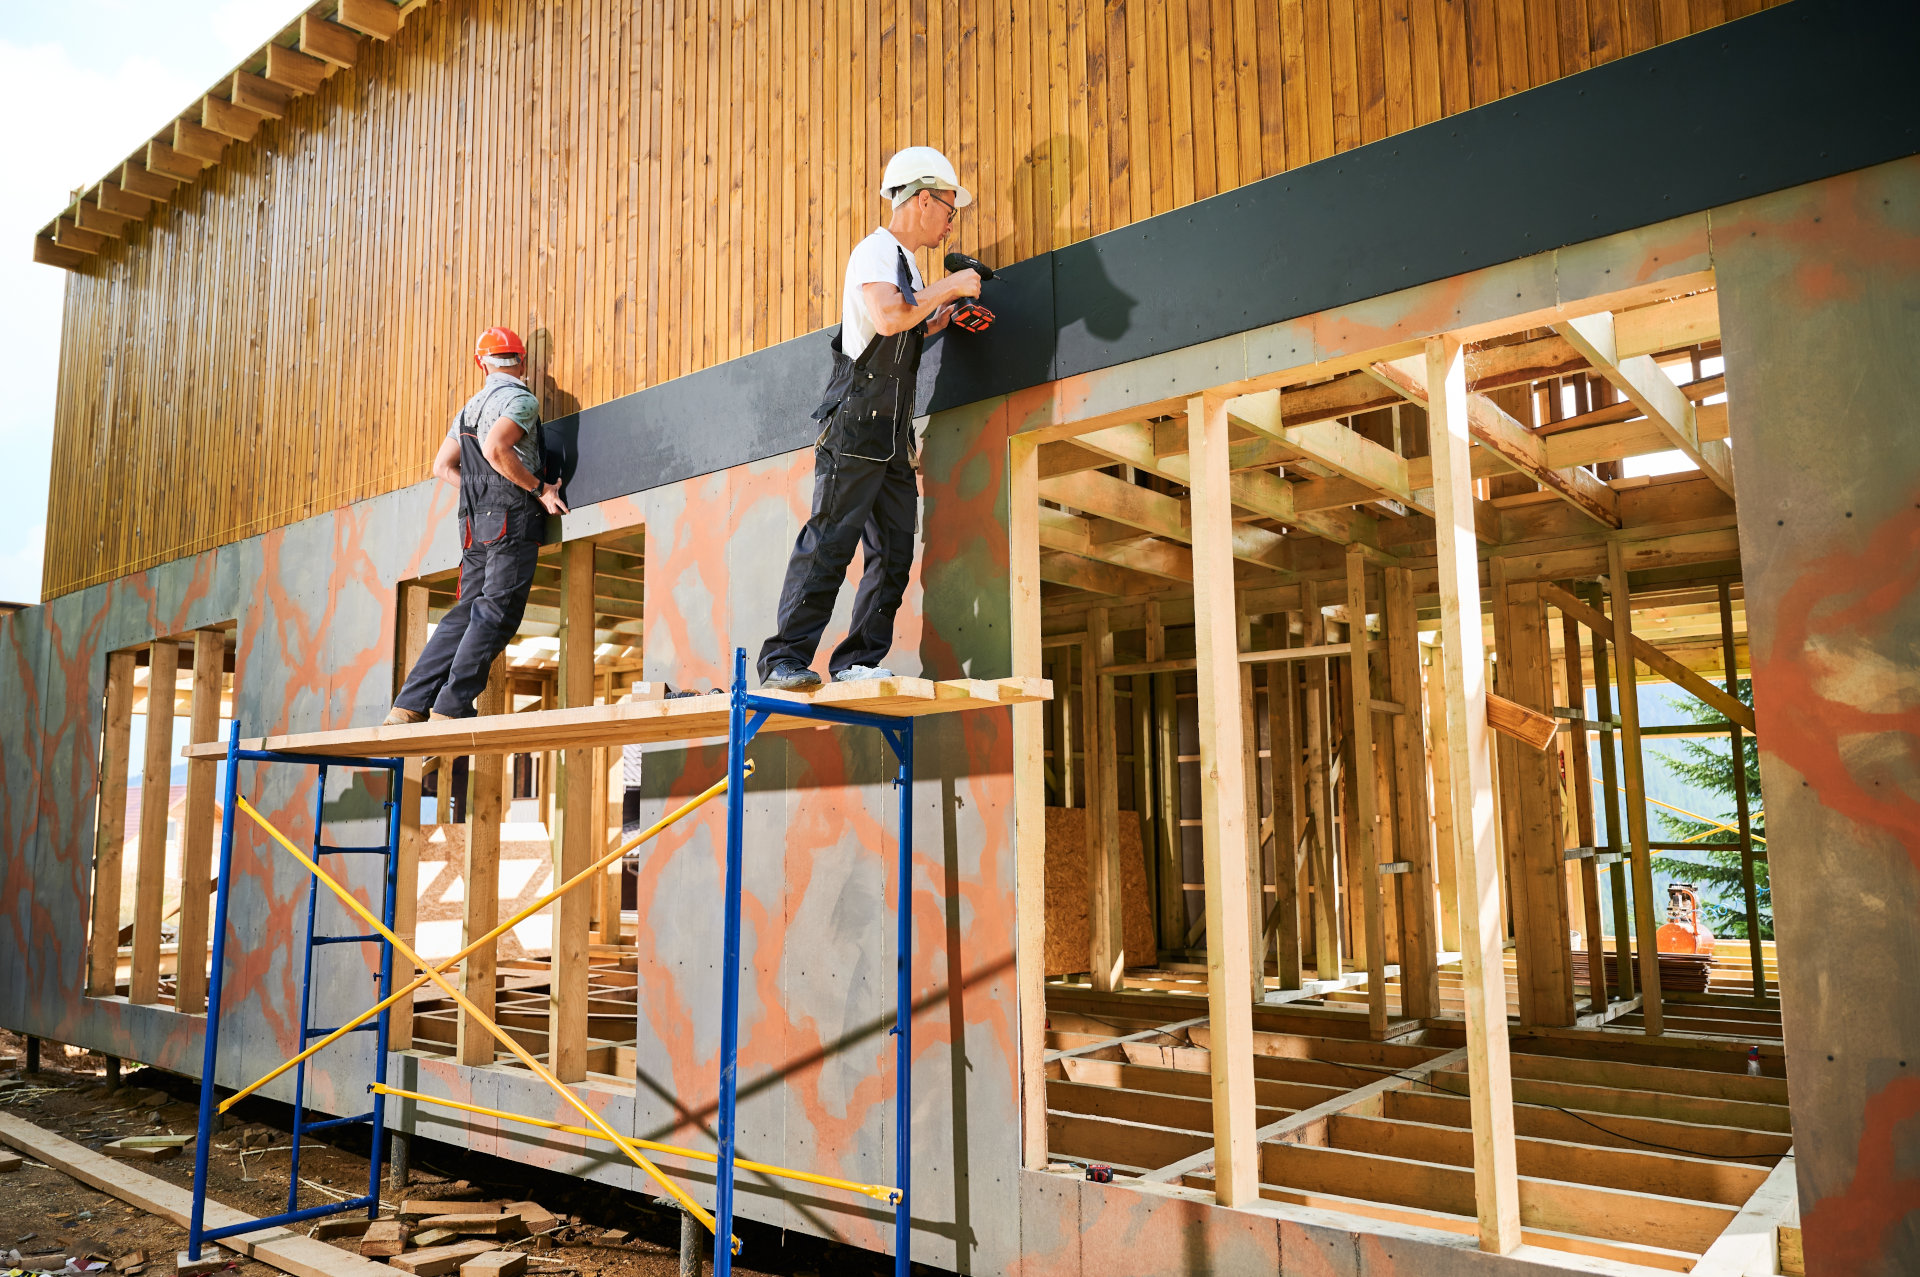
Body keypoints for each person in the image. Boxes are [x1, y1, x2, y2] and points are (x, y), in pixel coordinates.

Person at [757, 146, 983, 691]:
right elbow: (886, 317)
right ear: (922, 199)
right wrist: (950, 287)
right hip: (857, 424)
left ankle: (857, 658)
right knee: (831, 542)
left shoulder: (907, 265)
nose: (952, 219)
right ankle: (784, 659)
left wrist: (941, 319)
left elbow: (902, 328)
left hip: (891, 434)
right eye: (950, 207)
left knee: (894, 551)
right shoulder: (876, 251)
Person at [384, 327, 569, 723]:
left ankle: (409, 705)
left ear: (480, 363)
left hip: (473, 524)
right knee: (497, 612)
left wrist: (482, 486)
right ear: (522, 361)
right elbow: (497, 448)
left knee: (467, 610)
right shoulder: (520, 398)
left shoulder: (469, 409)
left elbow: (442, 467)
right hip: (509, 520)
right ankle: (452, 706)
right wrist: (539, 489)